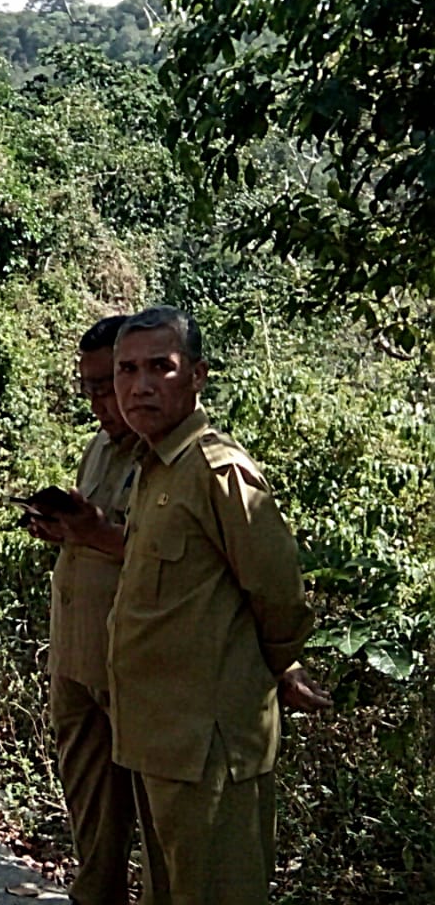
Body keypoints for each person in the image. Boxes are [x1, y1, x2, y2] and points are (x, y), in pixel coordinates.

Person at [108, 306, 330, 904]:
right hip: (155, 741)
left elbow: (280, 593)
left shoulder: (219, 471)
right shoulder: (151, 467)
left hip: (209, 748)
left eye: (162, 366)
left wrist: (274, 665)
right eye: (127, 370)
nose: (141, 385)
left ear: (198, 375)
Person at [29, 315, 139, 905]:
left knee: (160, 818)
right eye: (89, 387)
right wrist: (66, 529)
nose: (100, 400)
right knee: (92, 819)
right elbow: (96, 534)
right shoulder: (98, 447)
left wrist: (96, 532)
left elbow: (168, 555)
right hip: (76, 654)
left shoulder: (171, 457)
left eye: (108, 384)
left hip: (134, 669)